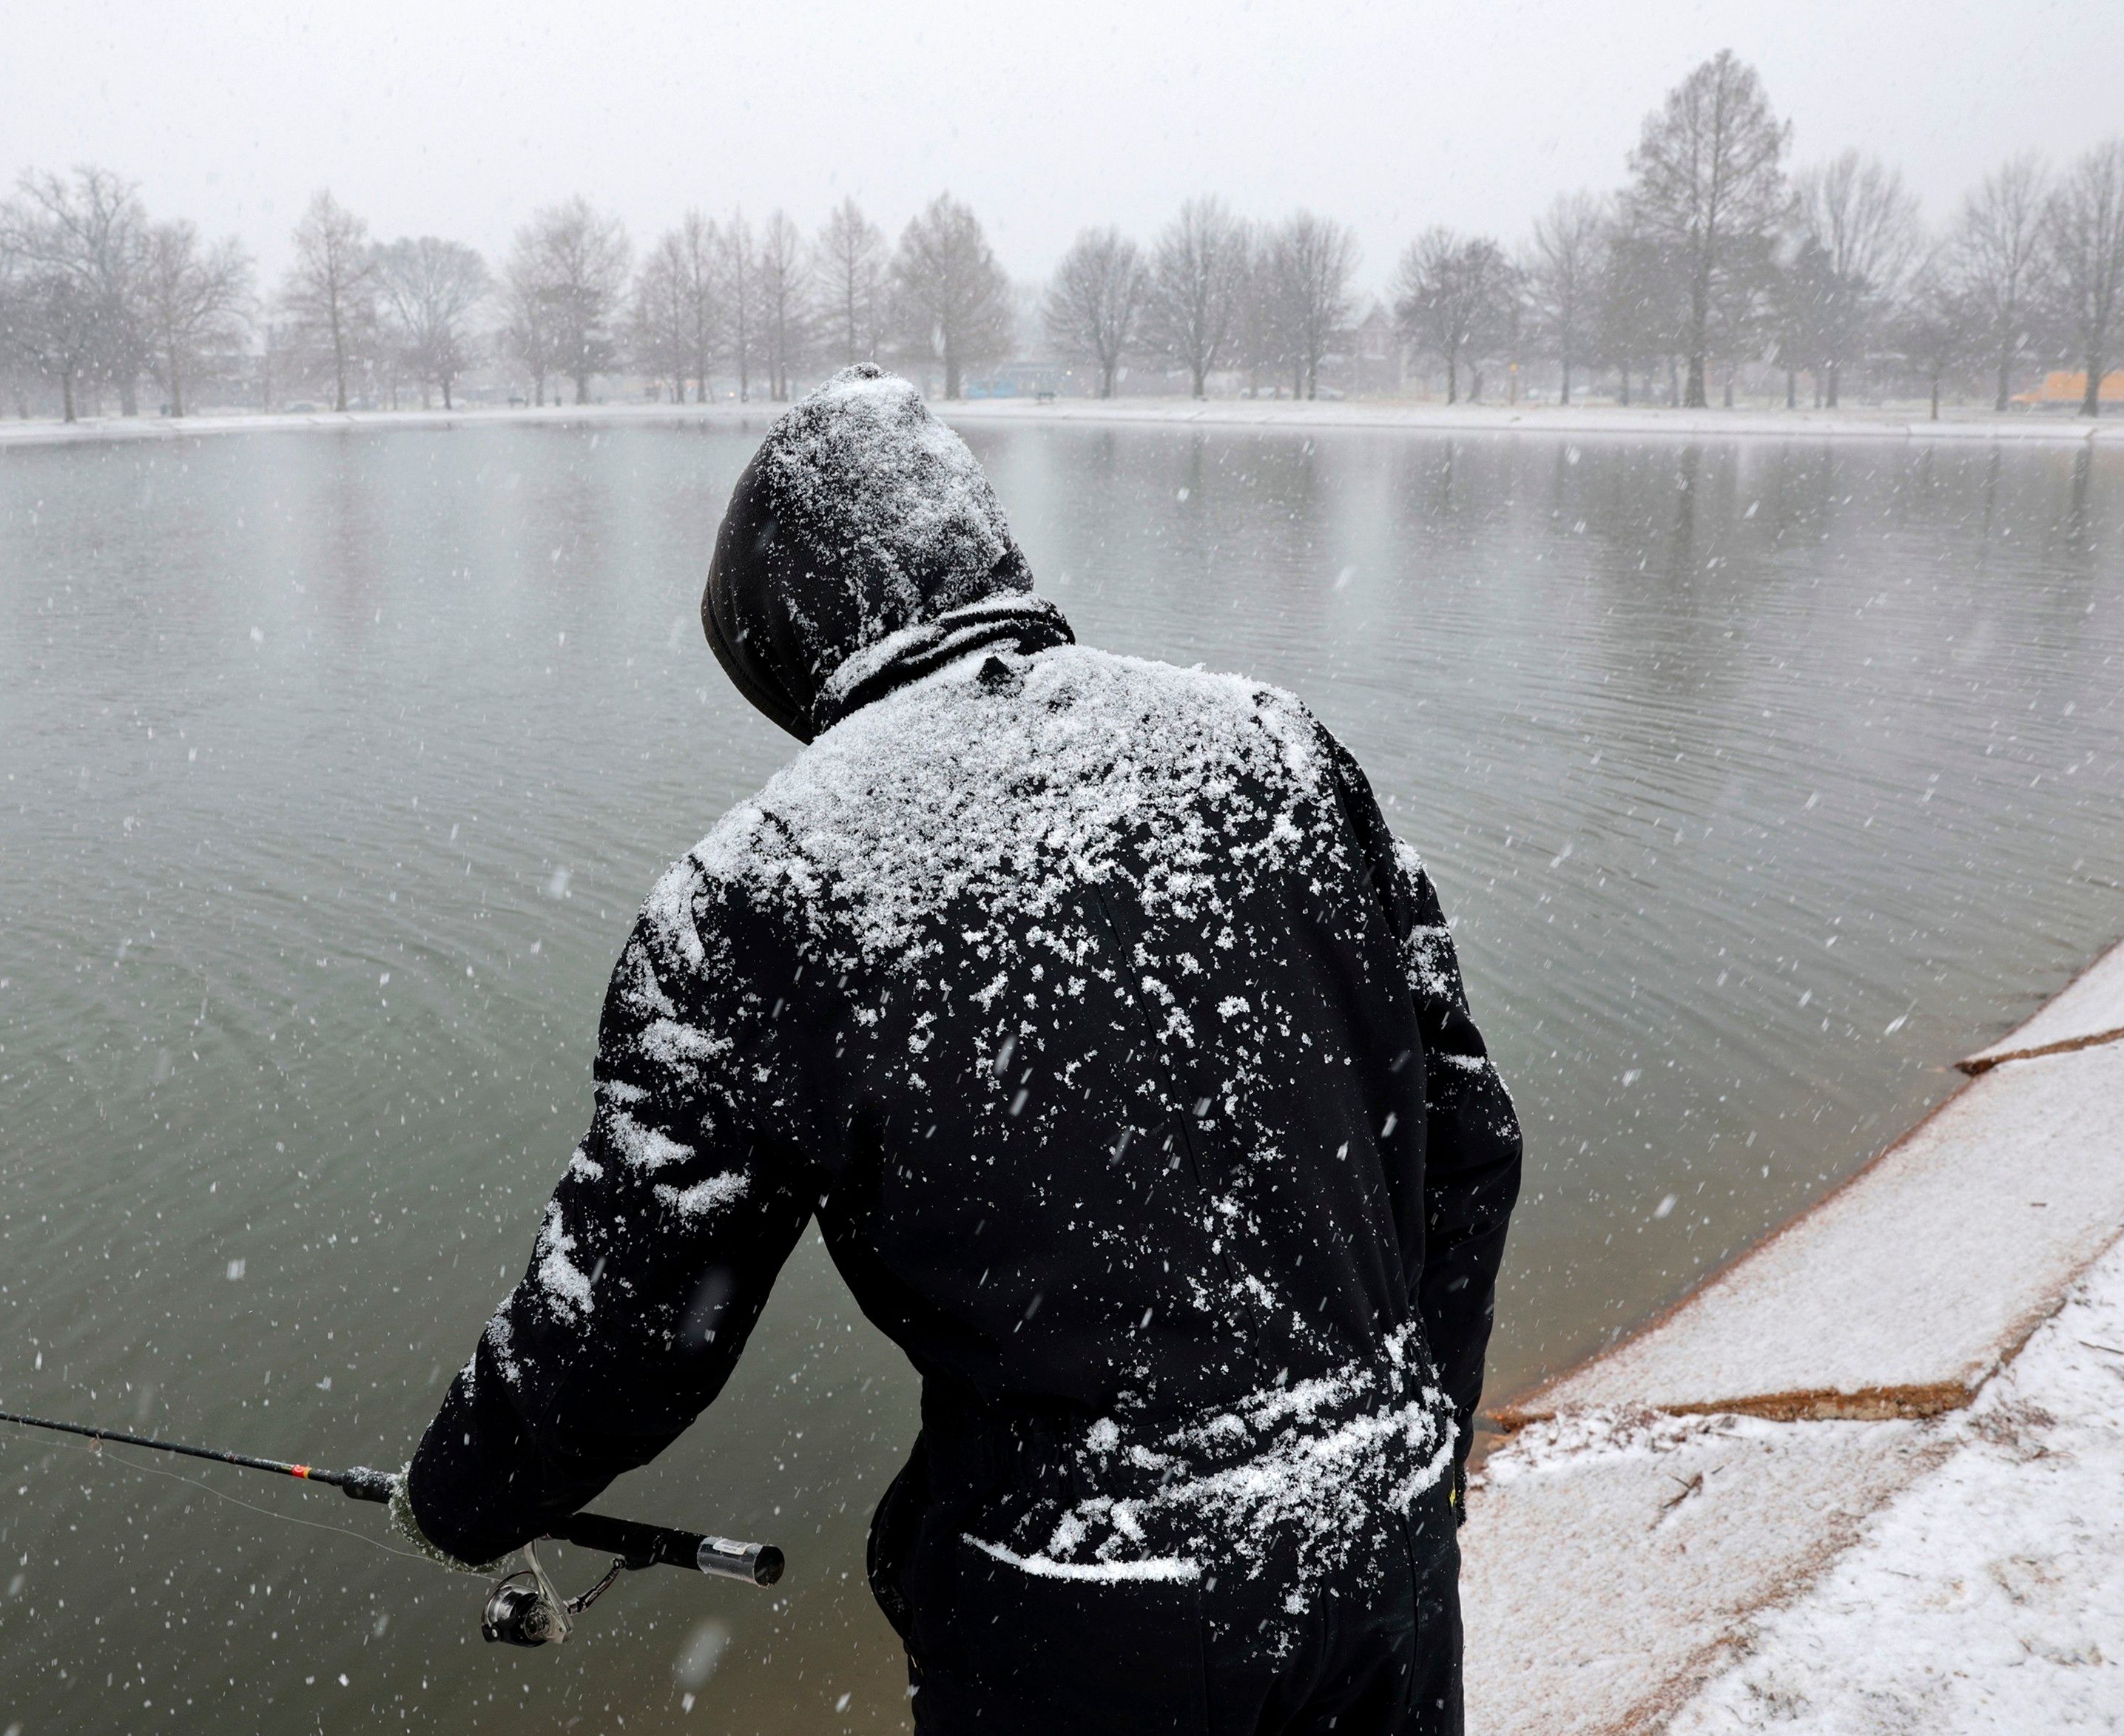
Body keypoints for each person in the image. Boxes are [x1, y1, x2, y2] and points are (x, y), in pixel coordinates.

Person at [394, 365, 1521, 1734]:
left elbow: (633, 1314)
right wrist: (1414, 1434)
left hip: (1080, 1622)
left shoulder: (762, 889)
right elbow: (1467, 1146)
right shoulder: (1274, 748)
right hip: (1378, 1551)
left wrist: (458, 1494)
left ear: (784, 639)